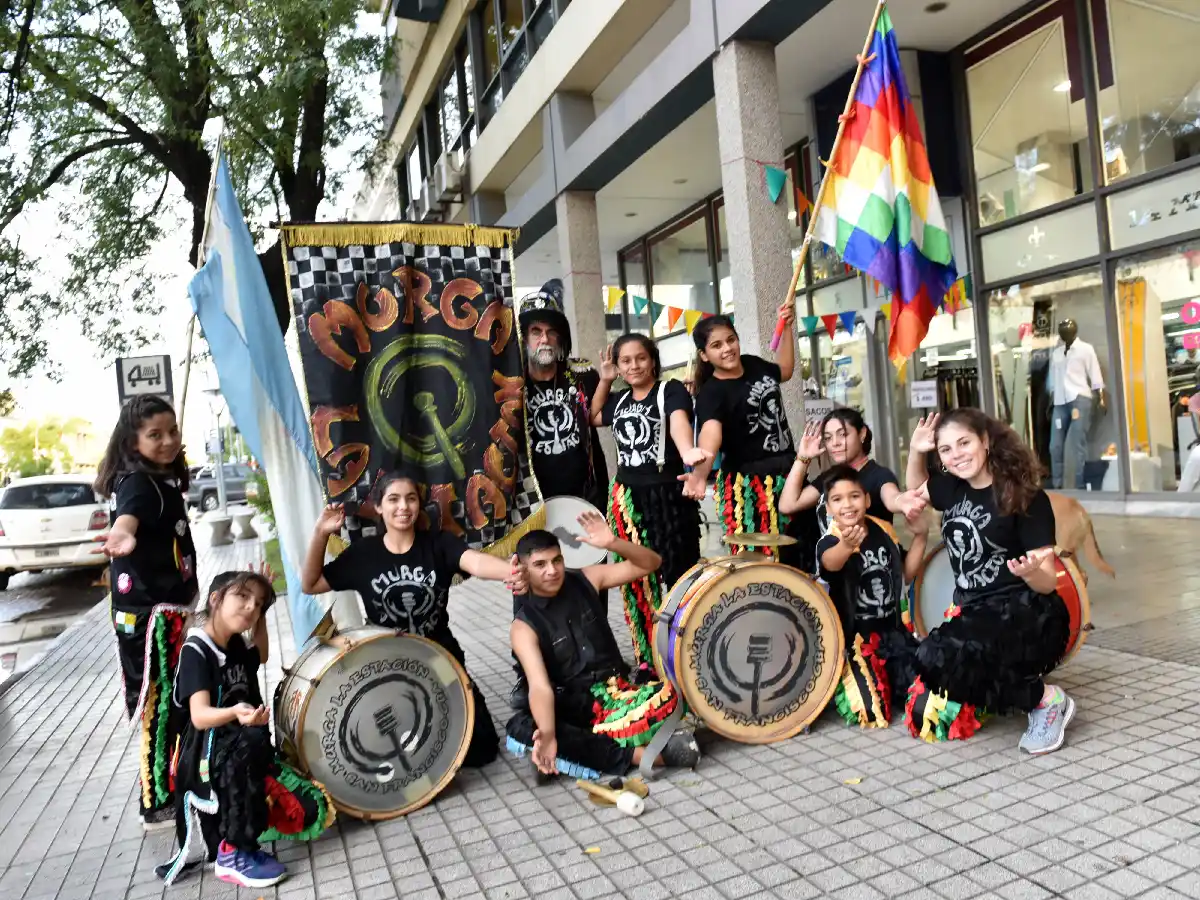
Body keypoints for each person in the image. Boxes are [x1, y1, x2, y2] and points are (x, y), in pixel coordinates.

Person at [301, 470, 526, 768]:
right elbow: (311, 583)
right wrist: (320, 533)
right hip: (389, 663)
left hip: (440, 656)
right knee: (408, 750)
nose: (403, 507)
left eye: (410, 499)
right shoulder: (363, 554)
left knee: (481, 749)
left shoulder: (438, 544)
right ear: (379, 507)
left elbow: (475, 562)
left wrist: (510, 572)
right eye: (393, 499)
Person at [903, 409, 1074, 753]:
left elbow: (1047, 584)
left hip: (1029, 612)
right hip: (975, 610)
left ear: (985, 441)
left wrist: (1030, 572)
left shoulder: (1024, 496)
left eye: (964, 442)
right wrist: (915, 451)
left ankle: (1046, 701)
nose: (956, 455)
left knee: (955, 656)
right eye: (946, 449)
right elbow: (914, 489)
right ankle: (1018, 688)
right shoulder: (950, 487)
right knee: (930, 662)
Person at [159, 572, 334, 888]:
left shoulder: (235, 641)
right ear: (216, 599)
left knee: (310, 809)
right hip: (206, 755)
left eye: (258, 604)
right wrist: (236, 713)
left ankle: (244, 828)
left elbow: (262, 654)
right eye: (243, 597)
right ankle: (233, 851)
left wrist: (262, 614)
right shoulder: (197, 651)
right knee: (251, 742)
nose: (250, 608)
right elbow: (199, 717)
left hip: (241, 743)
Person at [506, 514, 702, 779]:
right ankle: (642, 755)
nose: (551, 571)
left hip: (619, 695)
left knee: (679, 691)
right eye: (540, 564)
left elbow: (651, 563)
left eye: (557, 561)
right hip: (574, 706)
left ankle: (574, 752)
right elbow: (539, 687)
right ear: (523, 568)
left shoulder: (588, 578)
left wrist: (613, 543)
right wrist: (549, 733)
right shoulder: (522, 626)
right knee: (522, 727)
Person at [95, 396, 197, 830]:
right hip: (151, 620)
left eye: (172, 431)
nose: (168, 441)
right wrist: (120, 535)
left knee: (173, 703)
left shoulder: (160, 480)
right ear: (132, 440)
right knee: (158, 706)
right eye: (155, 435)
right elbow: (129, 520)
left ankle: (175, 783)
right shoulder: (137, 482)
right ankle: (156, 802)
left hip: (167, 611)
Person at [589, 333, 708, 667]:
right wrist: (606, 378)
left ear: (652, 360)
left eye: (640, 358)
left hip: (668, 496)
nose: (634, 366)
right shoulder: (619, 399)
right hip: (628, 499)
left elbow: (678, 425)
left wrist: (688, 452)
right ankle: (648, 656)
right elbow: (593, 416)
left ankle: (687, 653)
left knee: (679, 573)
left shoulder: (669, 391)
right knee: (638, 581)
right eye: (626, 361)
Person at [681, 306, 807, 566]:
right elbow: (710, 437)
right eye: (716, 345)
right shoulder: (711, 393)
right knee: (761, 562)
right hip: (751, 487)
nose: (727, 348)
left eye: (730, 340)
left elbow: (785, 370)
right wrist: (700, 475)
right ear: (704, 356)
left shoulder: (753, 364)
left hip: (789, 473)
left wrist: (787, 329)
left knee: (797, 556)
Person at [815, 465, 929, 728]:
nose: (847, 505)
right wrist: (847, 545)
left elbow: (906, 575)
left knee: (929, 692)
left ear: (867, 499)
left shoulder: (883, 530)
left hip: (895, 636)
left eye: (854, 496)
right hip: (856, 644)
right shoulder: (829, 541)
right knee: (871, 710)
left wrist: (921, 536)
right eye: (837, 499)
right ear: (829, 508)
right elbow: (830, 563)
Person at [520, 279, 609, 513]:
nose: (544, 339)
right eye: (536, 332)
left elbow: (607, 414)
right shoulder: (512, 385)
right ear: (524, 339)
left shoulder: (584, 376)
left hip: (585, 495)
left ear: (560, 338)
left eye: (551, 332)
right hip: (533, 500)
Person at [780, 407, 925, 541]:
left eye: (842, 434)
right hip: (831, 565)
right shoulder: (830, 477)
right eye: (828, 438)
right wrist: (803, 458)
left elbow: (891, 497)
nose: (835, 443)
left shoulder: (879, 475)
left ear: (862, 434)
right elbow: (787, 505)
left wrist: (901, 500)